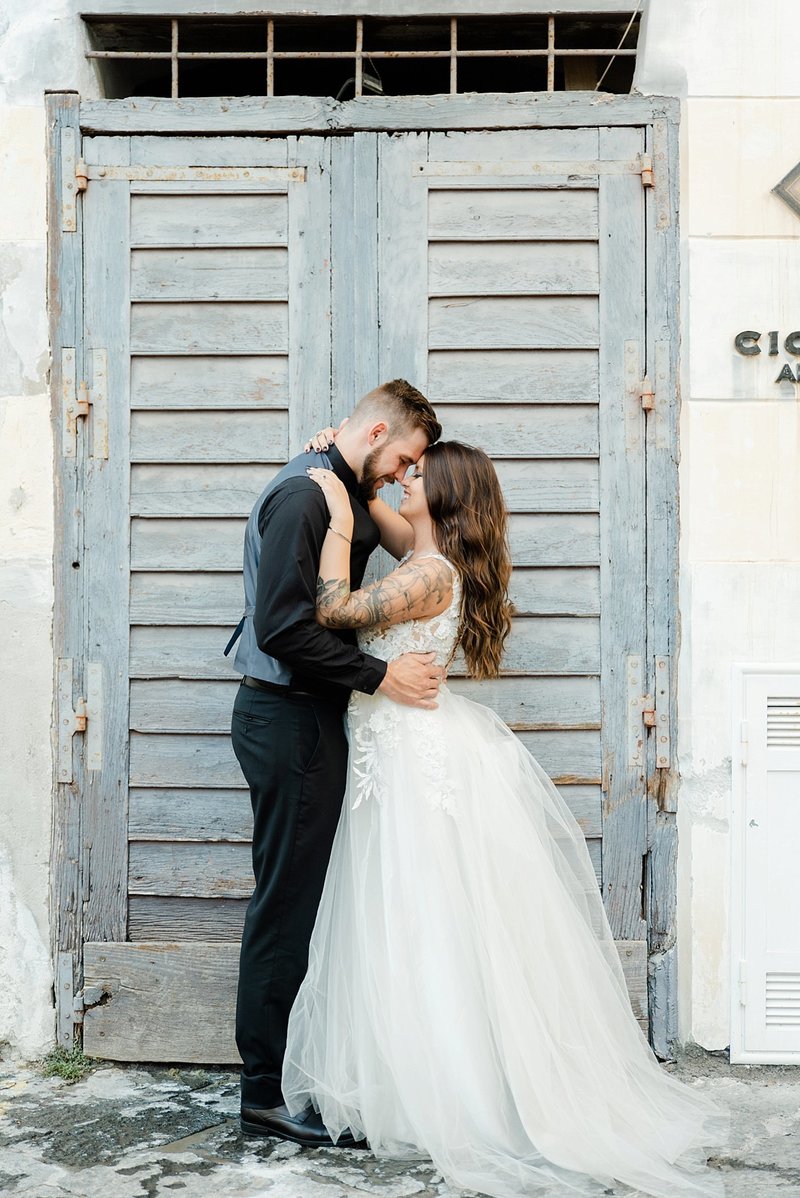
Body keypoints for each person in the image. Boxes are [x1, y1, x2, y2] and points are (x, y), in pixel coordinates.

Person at [281, 434, 730, 1197]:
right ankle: (412, 1081)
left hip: (412, 761)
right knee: (402, 920)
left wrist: (328, 515)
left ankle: (457, 1094)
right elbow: (378, 515)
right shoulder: (422, 550)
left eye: (417, 475)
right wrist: (339, 463)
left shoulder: (426, 576)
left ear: (446, 497)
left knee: (426, 921)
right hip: (393, 753)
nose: (404, 478)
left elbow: (330, 609)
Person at [227, 380, 443, 1147]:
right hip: (287, 719)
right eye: (405, 458)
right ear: (379, 429)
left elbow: (393, 540)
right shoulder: (305, 498)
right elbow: (283, 630)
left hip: (307, 718)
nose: (403, 473)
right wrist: (381, 677)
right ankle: (260, 1094)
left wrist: (358, 474)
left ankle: (287, 1079)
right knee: (284, 905)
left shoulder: (336, 484)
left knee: (300, 903)